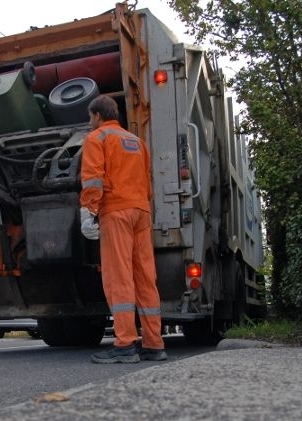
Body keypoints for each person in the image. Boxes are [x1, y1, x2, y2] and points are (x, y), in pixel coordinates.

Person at [79, 95, 167, 364]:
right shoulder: (137, 142)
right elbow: (148, 184)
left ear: (97, 115)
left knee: (119, 278)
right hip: (141, 212)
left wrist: (88, 211)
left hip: (116, 212)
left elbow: (94, 179)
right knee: (144, 277)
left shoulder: (97, 138)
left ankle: (125, 344)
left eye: (90, 117)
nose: (90, 122)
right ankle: (154, 344)